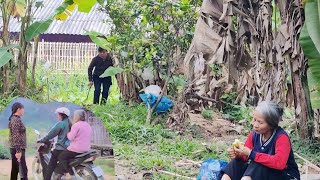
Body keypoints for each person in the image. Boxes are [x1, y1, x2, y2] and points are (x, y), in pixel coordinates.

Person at [221, 101, 300, 180]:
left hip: (284, 175)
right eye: (254, 120)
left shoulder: (281, 137)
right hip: (262, 172)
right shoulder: (254, 134)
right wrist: (238, 154)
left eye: (260, 122)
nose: (255, 125)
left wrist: (251, 154)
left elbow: (279, 163)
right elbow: (246, 157)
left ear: (271, 124)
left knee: (258, 166)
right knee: (235, 163)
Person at [57, 109, 93, 179]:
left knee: (61, 156)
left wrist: (67, 133)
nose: (73, 117)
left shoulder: (76, 125)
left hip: (77, 149)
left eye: (74, 116)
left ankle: (68, 174)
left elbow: (70, 137)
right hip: (86, 149)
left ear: (77, 117)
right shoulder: (87, 125)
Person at [37, 107, 71, 180]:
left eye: (58, 114)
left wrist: (41, 140)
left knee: (50, 168)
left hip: (60, 149)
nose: (57, 116)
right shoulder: (70, 123)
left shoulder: (61, 124)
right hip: (69, 149)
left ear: (62, 115)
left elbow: (50, 135)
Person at [8, 102, 28, 180]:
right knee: (23, 171)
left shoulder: (15, 119)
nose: (24, 111)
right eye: (23, 109)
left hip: (15, 148)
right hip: (17, 148)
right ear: (19, 109)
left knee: (15, 170)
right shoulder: (16, 120)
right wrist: (18, 151)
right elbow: (16, 136)